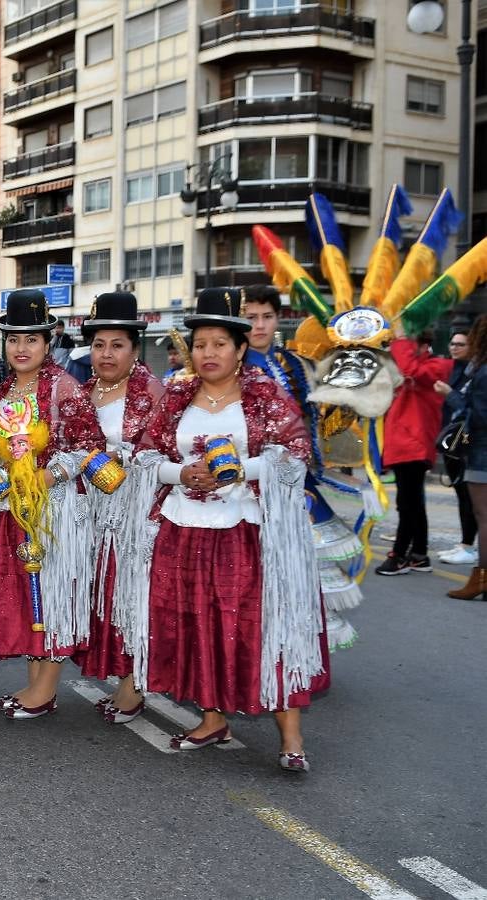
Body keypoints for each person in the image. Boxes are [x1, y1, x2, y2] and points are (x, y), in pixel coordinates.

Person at [128, 288, 328, 773]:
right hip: (184, 528)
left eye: (220, 344)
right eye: (200, 344)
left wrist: (244, 468)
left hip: (247, 531)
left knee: (261, 624)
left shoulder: (264, 394)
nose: (209, 353)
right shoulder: (176, 395)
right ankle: (212, 718)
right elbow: (146, 456)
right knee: (197, 622)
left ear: (240, 349)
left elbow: (295, 452)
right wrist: (182, 474)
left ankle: (291, 735)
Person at [0, 289, 104, 719]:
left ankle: (46, 688)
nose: (21, 348)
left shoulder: (64, 388)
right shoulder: (0, 393)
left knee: (51, 593)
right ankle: (36, 683)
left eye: (31, 339)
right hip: (12, 510)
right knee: (26, 596)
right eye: (14, 339)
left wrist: (45, 476)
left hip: (54, 510)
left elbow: (90, 447)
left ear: (47, 342)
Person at [242, 283, 367, 650]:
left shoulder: (297, 364)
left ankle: (298, 650)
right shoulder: (229, 364)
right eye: (252, 318)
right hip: (248, 485)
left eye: (268, 317)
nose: (260, 325)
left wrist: (353, 396)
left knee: (302, 570)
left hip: (299, 485)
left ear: (278, 319)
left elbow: (323, 423)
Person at [72, 292, 163, 723]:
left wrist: (124, 459)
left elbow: (164, 454)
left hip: (134, 514)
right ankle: (122, 676)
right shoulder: (83, 390)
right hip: (92, 513)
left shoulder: (153, 393)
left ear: (135, 348)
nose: (106, 354)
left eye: (117, 345)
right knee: (103, 596)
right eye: (99, 345)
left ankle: (134, 686)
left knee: (132, 597)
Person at [376, 330, 451, 575]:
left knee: (408, 504)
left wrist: (400, 338)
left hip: (415, 444)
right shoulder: (411, 368)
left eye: (410, 344)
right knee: (413, 504)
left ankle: (398, 556)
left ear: (422, 345)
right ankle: (419, 554)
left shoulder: (437, 366)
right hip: (404, 445)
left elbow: (411, 370)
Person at [445, 315, 487, 600]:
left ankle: (481, 579)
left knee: (484, 517)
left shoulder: (482, 373)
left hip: (482, 452)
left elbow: (481, 416)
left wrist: (456, 400)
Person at [435, 328, 477, 565]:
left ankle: (469, 546)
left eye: (461, 344)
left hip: (467, 441)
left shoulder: (474, 374)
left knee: (469, 495)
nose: (454, 347)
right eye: (452, 343)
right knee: (461, 494)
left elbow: (468, 409)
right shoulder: (454, 370)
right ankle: (465, 543)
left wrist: (449, 393)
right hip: (452, 441)